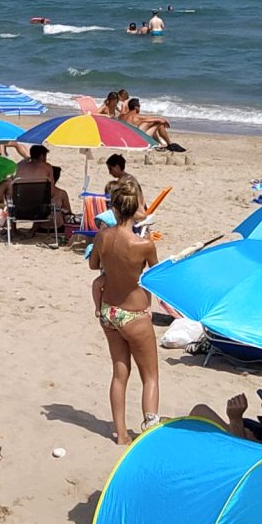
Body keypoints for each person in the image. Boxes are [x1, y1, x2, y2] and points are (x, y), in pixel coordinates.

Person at [89, 180, 160, 445]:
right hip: (135, 313)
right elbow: (154, 276)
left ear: (114, 208)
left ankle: (120, 434)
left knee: (120, 373)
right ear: (136, 208)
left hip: (110, 311)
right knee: (150, 376)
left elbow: (93, 265)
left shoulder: (103, 236)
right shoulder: (144, 245)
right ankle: (150, 432)